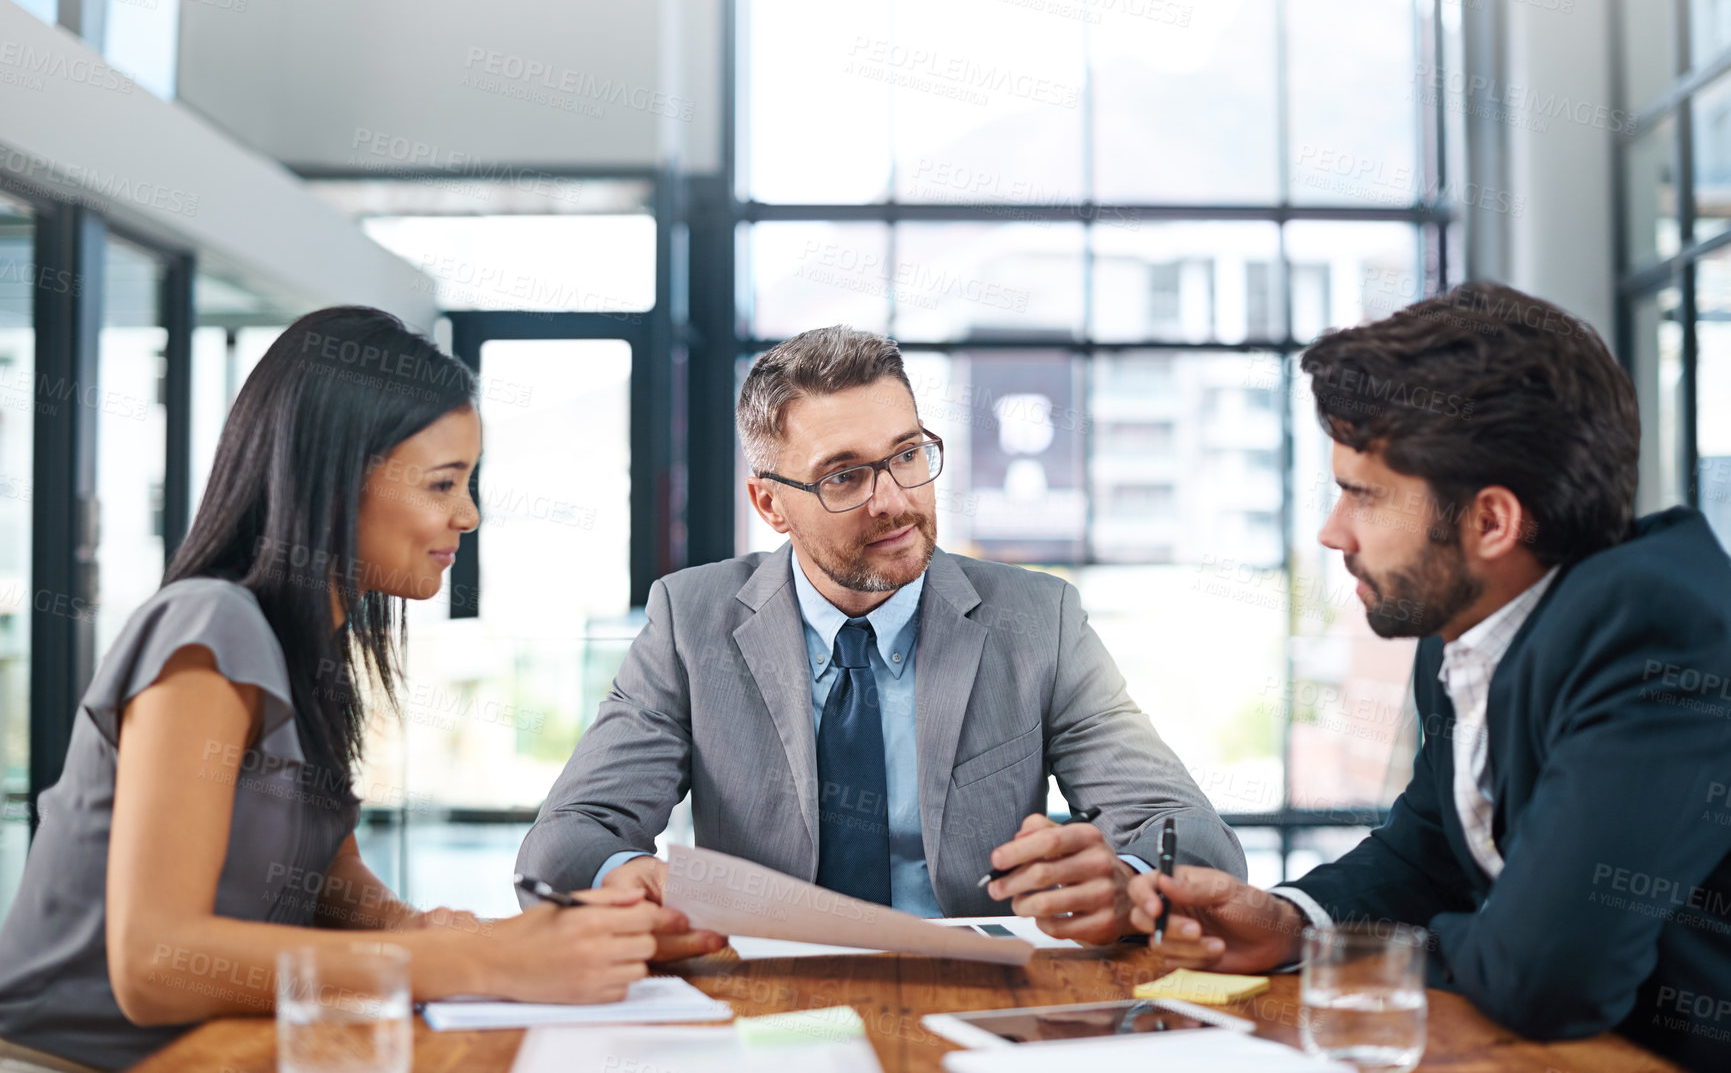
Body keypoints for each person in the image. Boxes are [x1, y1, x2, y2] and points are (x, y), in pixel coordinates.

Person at [0, 308, 717, 1073]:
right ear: (336, 479)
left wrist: (501, 932)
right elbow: (155, 962)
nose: (466, 514)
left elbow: (324, 875)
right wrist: (487, 962)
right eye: (443, 482)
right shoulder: (209, 624)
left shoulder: (305, 647)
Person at [1126, 283, 1731, 1072]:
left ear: (1489, 521)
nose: (1331, 530)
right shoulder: (1465, 622)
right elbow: (1433, 851)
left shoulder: (1656, 627)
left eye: (1362, 495)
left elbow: (1545, 973)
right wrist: (1289, 919)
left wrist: (1345, 954)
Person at [517, 325, 1244, 946]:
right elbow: (566, 838)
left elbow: (1196, 837)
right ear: (770, 503)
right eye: (843, 476)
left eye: (906, 454)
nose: (893, 500)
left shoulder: (1038, 622)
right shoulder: (691, 619)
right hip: (773, 995)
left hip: (981, 993)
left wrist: (1126, 879)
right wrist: (625, 876)